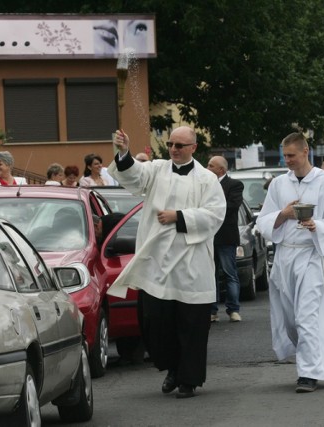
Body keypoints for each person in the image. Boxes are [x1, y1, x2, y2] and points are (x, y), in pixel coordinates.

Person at [107, 126, 226, 399]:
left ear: (193, 148)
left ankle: (188, 380)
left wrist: (179, 216)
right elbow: (133, 176)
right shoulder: (158, 169)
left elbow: (215, 215)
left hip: (191, 264)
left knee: (192, 327)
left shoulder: (207, 179)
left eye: (180, 145)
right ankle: (172, 367)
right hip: (158, 263)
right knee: (156, 323)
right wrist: (124, 152)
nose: (174, 149)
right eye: (171, 143)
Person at [256, 132, 324, 393]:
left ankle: (308, 373)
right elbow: (263, 220)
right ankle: (308, 358)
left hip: (311, 255)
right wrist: (282, 214)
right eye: (284, 156)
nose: (287, 160)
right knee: (289, 318)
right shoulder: (278, 184)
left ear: (305, 151)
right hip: (285, 255)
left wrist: (316, 225)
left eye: (291, 155)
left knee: (306, 314)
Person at [207, 156, 244, 323]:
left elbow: (233, 206)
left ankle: (233, 310)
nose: (207, 168)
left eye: (211, 166)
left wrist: (209, 209)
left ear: (221, 170)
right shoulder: (204, 184)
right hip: (207, 236)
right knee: (209, 275)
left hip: (226, 236)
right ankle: (212, 310)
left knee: (230, 274)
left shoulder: (234, 185)